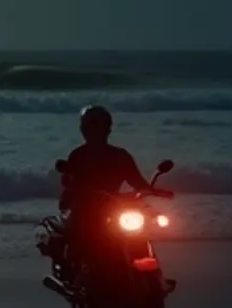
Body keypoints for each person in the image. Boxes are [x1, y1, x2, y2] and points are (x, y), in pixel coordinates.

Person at [57, 104, 161, 265]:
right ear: (84, 130)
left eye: (101, 126)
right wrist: (77, 190)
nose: (97, 131)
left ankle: (151, 275)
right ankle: (74, 264)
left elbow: (137, 180)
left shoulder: (120, 155)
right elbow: (67, 182)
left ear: (108, 129)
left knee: (139, 232)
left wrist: (150, 190)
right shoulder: (79, 155)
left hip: (112, 204)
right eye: (92, 127)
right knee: (78, 230)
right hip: (85, 205)